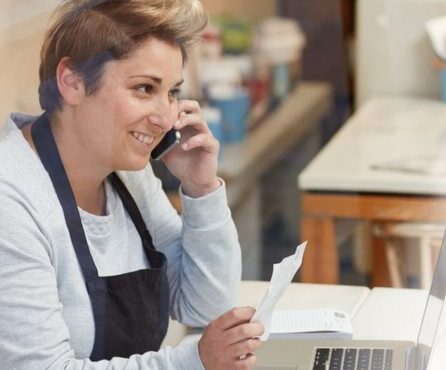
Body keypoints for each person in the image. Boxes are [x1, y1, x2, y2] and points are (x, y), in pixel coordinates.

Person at [0, 0, 263, 368]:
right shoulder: (10, 202)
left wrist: (200, 189)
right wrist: (194, 362)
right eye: (144, 88)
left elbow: (205, 305)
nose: (164, 117)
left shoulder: (127, 174)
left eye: (171, 92)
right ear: (72, 82)